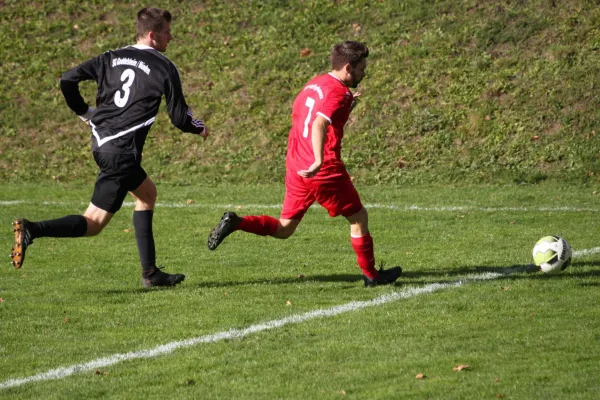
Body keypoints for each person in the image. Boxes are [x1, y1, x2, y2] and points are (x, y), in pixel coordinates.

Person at [10, 7, 208, 288]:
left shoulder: (110, 58)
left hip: (102, 145)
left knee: (139, 199)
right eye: (167, 33)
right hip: (122, 152)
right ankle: (33, 228)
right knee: (96, 222)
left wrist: (84, 113)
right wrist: (199, 127)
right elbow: (179, 117)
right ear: (152, 35)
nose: (171, 38)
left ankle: (151, 273)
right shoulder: (164, 67)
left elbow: (67, 79)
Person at [207, 41, 401, 287]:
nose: (364, 73)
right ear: (349, 67)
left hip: (297, 166)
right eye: (362, 68)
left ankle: (237, 222)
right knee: (358, 217)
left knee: (285, 228)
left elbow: (308, 115)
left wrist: (346, 108)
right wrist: (319, 159)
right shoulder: (338, 92)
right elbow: (319, 124)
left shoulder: (314, 84)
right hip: (323, 169)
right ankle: (372, 276)